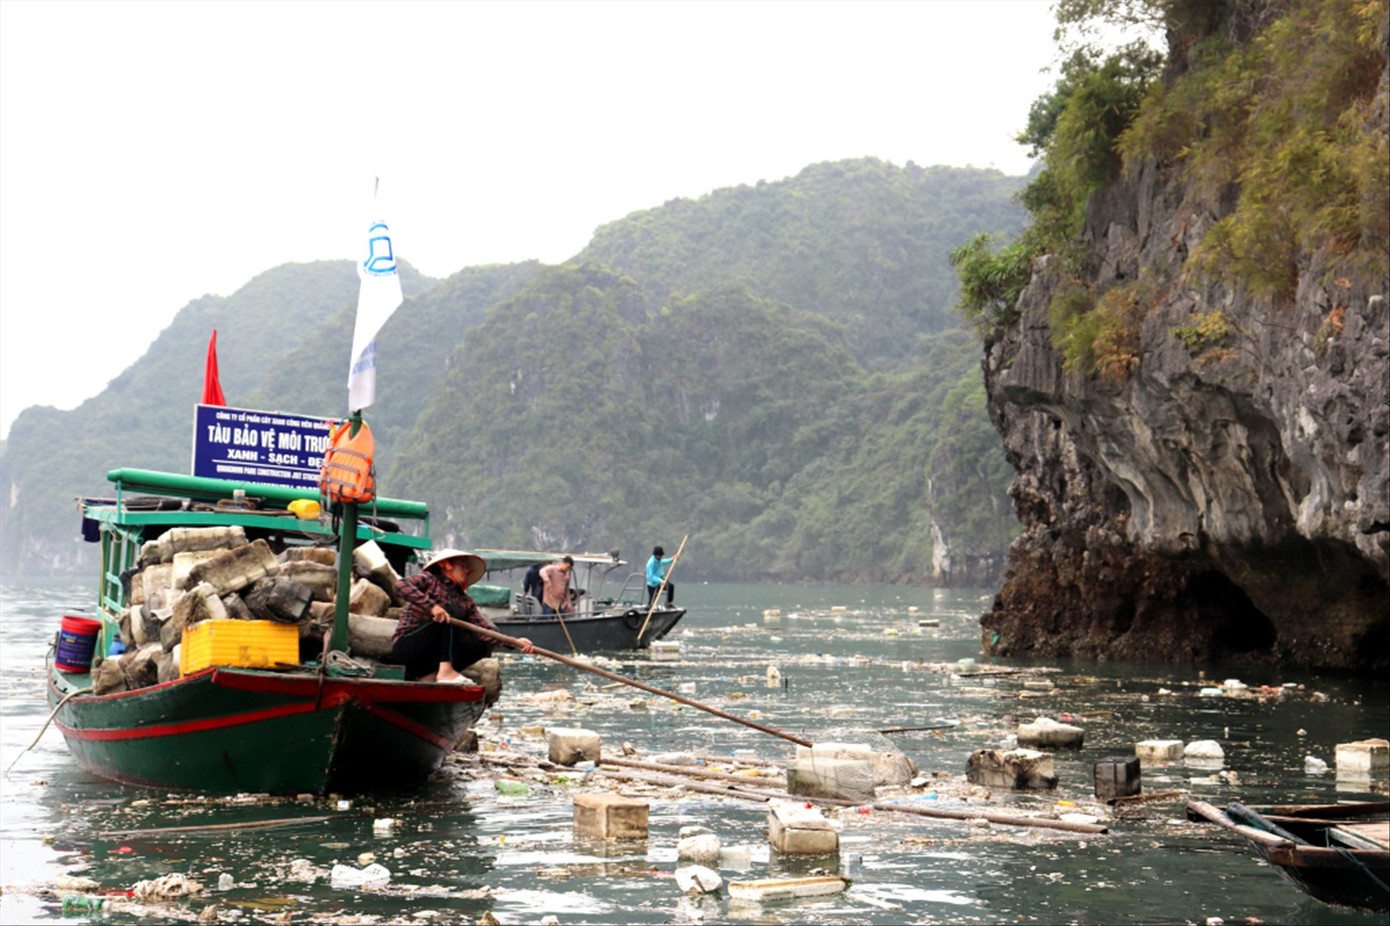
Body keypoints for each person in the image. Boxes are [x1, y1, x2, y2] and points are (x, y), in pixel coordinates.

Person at [391, 548, 533, 682]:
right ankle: (446, 672)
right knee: (448, 612)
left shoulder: (465, 601)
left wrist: (515, 643)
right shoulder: (429, 580)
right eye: (463, 565)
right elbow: (400, 586)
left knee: (481, 644)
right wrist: (432, 607)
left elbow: (484, 631)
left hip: (431, 658)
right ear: (446, 565)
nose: (467, 570)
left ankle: (432, 674)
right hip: (408, 648)